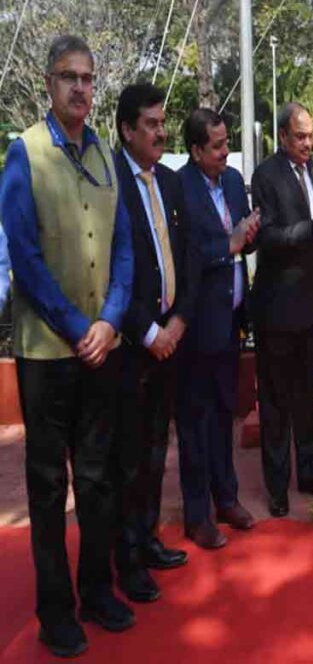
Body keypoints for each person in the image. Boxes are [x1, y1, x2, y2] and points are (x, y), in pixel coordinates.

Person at [1, 35, 135, 657]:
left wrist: (108, 321)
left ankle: (98, 590)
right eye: (69, 77)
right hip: (47, 354)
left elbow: (125, 251)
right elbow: (24, 258)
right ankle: (56, 610)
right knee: (50, 485)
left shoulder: (108, 156)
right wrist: (76, 326)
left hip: (101, 349)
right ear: (48, 84)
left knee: (100, 477)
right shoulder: (24, 154)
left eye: (88, 77)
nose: (81, 88)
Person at [111, 82, 192, 604]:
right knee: (129, 458)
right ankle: (127, 559)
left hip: (171, 335)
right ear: (126, 130)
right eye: (152, 124)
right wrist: (148, 332)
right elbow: (114, 272)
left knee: (158, 449)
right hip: (131, 345)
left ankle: (147, 538)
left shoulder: (168, 180)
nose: (161, 132)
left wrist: (179, 320)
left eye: (164, 123)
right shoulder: (111, 182)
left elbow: (183, 254)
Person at [177, 108, 260, 549]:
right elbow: (188, 251)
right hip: (196, 324)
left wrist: (252, 231)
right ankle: (197, 514)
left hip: (230, 321)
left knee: (225, 412)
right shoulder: (182, 188)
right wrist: (226, 245)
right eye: (218, 145)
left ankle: (227, 497)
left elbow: (243, 235)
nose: (227, 151)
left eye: (227, 141)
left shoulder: (230, 181)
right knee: (195, 419)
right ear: (195, 150)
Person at [251, 103, 313, 518]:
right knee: (275, 402)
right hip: (275, 308)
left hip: (311, 305)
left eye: (310, 136)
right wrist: (312, 229)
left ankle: (308, 472)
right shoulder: (265, 176)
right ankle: (276, 486)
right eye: (300, 137)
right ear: (282, 137)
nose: (308, 143)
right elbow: (266, 237)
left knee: (305, 398)